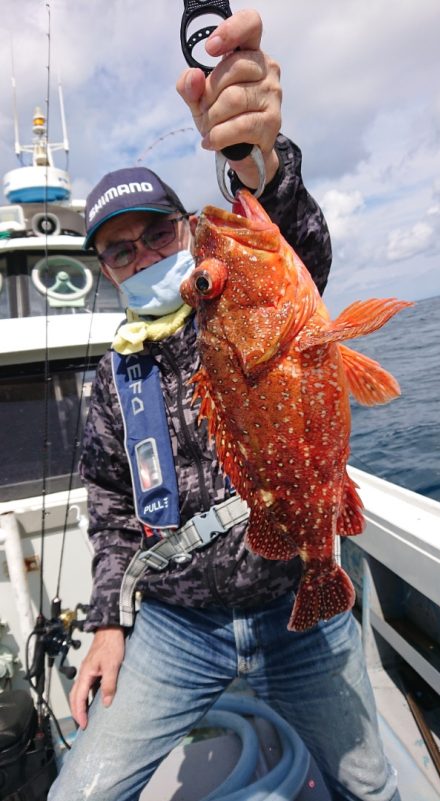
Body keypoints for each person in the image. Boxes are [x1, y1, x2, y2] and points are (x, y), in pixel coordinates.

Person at [48, 10, 400, 801]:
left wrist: (255, 160)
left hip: (294, 606)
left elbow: (297, 248)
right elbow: (108, 500)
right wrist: (110, 618)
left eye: (159, 234)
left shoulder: (240, 294)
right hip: (176, 628)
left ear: (184, 230)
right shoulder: (116, 377)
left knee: (375, 791)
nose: (143, 256)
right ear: (106, 268)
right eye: (120, 249)